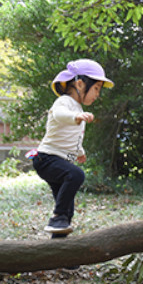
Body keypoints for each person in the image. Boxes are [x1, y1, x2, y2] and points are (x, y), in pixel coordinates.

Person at [30, 59, 114, 237]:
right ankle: (57, 216)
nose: (97, 94)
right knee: (76, 174)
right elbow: (60, 116)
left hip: (57, 161)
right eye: (96, 88)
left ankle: (60, 251)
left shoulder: (77, 107)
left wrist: (80, 152)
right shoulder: (64, 102)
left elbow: (74, 137)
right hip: (46, 158)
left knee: (69, 210)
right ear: (80, 84)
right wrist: (75, 116)